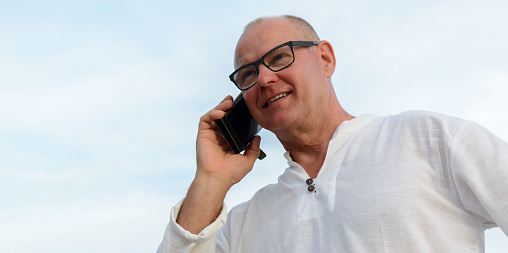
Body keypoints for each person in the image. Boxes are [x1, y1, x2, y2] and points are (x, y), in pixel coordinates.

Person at [158, 15, 508, 252]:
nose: (264, 78)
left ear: (325, 59)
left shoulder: (430, 138)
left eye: (279, 57)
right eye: (247, 75)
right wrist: (210, 181)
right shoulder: (243, 224)